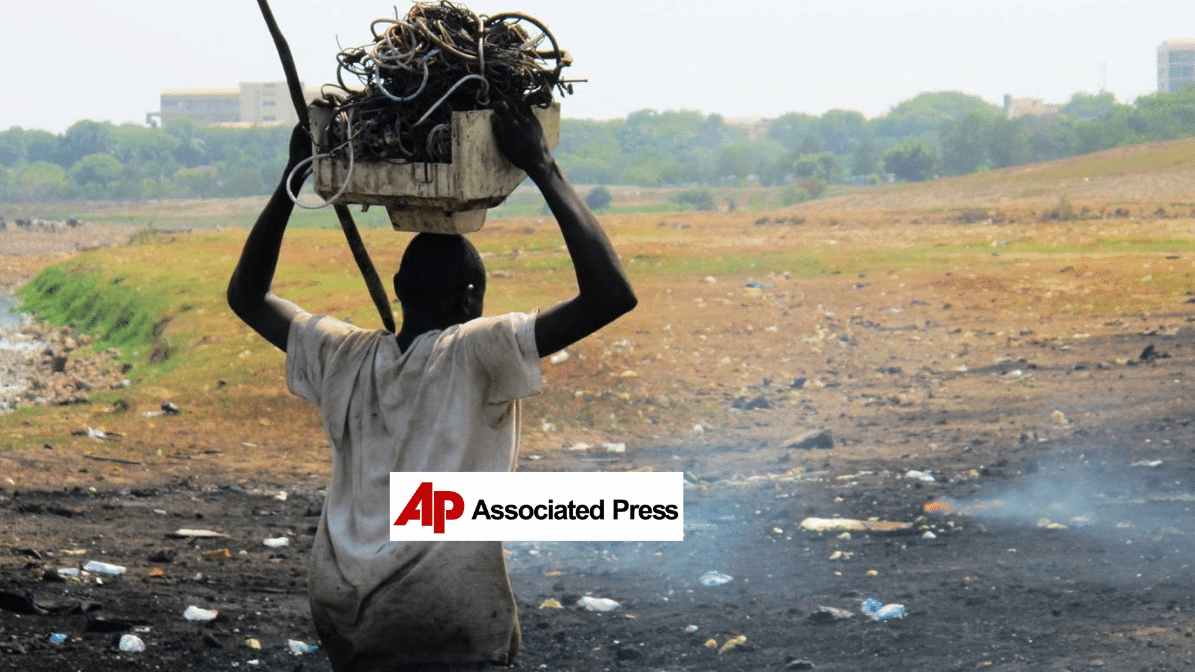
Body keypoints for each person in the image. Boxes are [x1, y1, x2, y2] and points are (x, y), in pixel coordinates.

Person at [226, 98, 637, 672]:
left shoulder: (343, 354)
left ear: (397, 286)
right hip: (442, 609)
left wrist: (291, 179)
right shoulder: (475, 350)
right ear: (469, 300)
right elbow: (612, 295)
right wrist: (544, 169)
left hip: (344, 605)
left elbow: (247, 296)